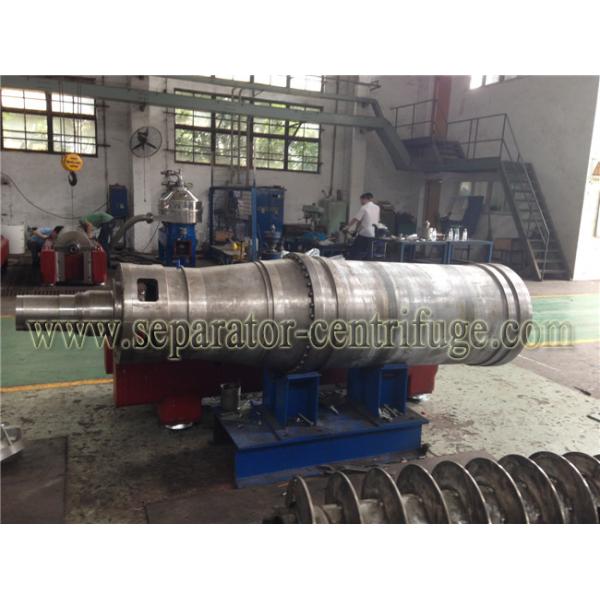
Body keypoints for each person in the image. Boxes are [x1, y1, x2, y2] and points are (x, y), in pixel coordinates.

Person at [343, 192, 380, 260]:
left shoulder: (364, 207)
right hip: (374, 233)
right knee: (368, 251)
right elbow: (361, 220)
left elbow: (356, 219)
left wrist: (347, 227)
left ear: (365, 199)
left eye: (361, 200)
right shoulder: (377, 207)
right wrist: (356, 230)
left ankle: (352, 261)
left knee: (355, 251)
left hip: (365, 232)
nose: (361, 202)